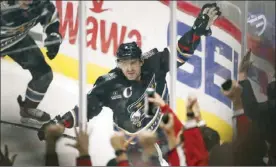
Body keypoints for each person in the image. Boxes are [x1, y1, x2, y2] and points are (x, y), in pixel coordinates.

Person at [38, 3, 221, 165]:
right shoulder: (109, 85)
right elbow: (86, 108)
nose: (130, 68)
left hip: (164, 127)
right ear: (118, 63)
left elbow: (180, 52)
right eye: (124, 63)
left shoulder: (156, 64)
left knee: (203, 146)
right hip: (135, 142)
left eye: (133, 62)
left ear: (141, 61)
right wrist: (60, 123)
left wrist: (196, 31)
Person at [0, 0, 62, 126]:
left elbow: (51, 19)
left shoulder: (41, 4)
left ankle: (27, 110)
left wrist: (54, 36)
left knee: (44, 75)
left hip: (17, 40)